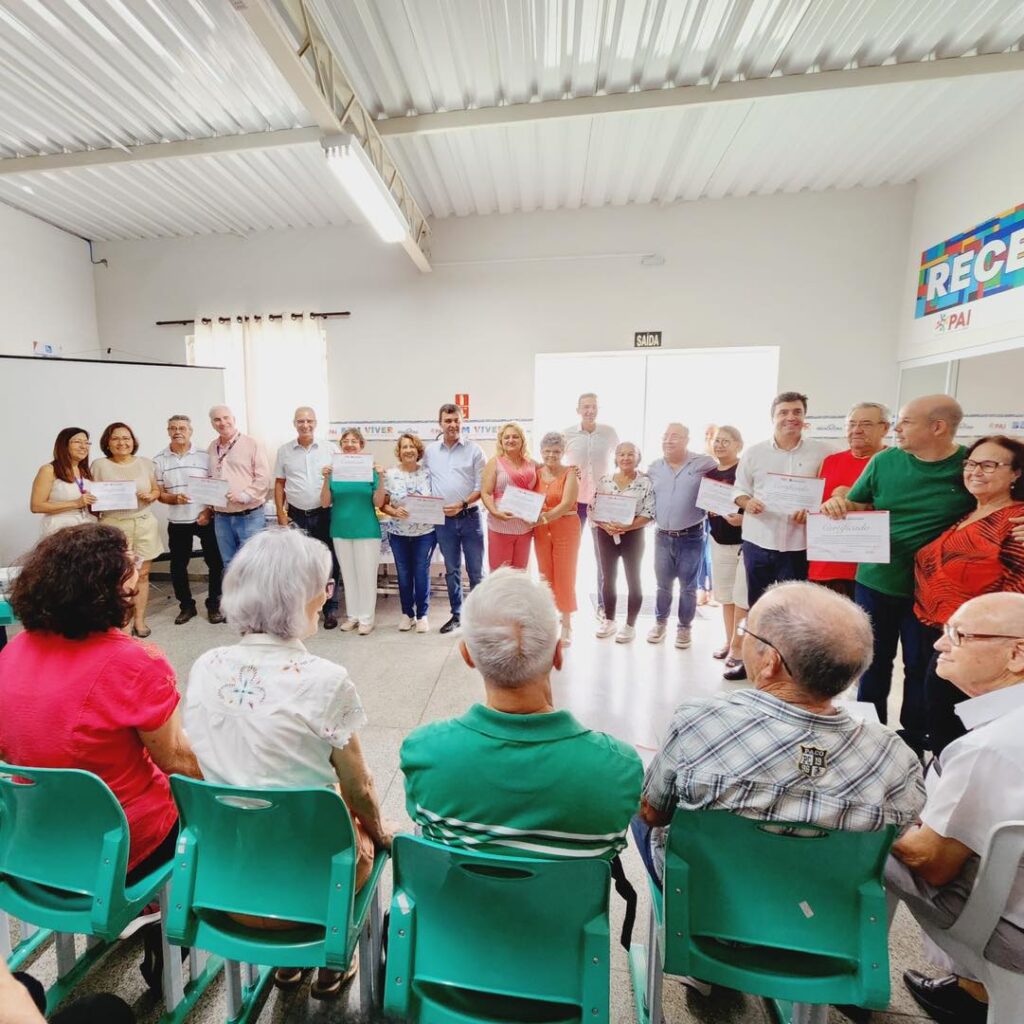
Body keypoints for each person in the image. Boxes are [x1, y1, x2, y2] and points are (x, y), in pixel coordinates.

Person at [184, 528, 392, 999]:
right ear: (305, 597)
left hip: (226, 882)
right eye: (326, 585)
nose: (327, 594)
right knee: (363, 834)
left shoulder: (205, 664)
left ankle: (287, 965)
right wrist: (379, 833)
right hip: (314, 888)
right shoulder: (327, 680)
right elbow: (359, 787)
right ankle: (333, 954)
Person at [633, 581, 925, 888]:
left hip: (707, 901)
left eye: (746, 629)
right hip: (828, 912)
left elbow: (654, 814)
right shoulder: (894, 757)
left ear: (771, 661)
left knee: (641, 807)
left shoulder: (699, 720)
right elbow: (903, 839)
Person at [0, 524, 201, 894]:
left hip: (32, 843)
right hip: (120, 849)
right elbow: (177, 763)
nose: (139, 574)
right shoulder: (136, 663)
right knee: (211, 811)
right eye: (132, 565)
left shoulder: (13, 651)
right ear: (110, 587)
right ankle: (166, 920)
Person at [400, 568, 642, 858]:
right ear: (557, 654)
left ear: (467, 656)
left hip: (458, 901)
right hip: (565, 904)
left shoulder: (424, 753)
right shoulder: (619, 768)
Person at [887, 594, 1024, 1024]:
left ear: (1016, 654)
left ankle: (845, 970)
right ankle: (974, 988)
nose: (939, 645)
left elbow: (933, 863)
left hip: (1012, 931)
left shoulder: (990, 746)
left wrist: (880, 808)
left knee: (866, 842)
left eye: (958, 635)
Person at [821, 395, 974, 754]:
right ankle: (868, 734)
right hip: (876, 581)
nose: (896, 429)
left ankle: (914, 738)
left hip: (932, 590)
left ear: (938, 427)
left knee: (921, 665)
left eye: (905, 422)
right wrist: (837, 503)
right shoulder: (885, 461)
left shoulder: (968, 467)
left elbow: (999, 502)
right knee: (872, 661)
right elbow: (857, 502)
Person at [914, 435, 1024, 755]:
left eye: (989, 464)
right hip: (940, 634)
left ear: (1016, 473)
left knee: (960, 739)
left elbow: (1016, 599)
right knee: (942, 728)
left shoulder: (1015, 521)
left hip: (977, 646)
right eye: (971, 463)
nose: (976, 471)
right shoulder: (967, 515)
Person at [732, 391, 831, 608]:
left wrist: (814, 512)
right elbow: (738, 491)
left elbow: (829, 494)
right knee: (758, 605)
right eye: (783, 412)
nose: (791, 417)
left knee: (794, 608)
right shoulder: (754, 453)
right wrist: (747, 502)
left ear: (805, 418)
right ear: (773, 417)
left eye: (797, 412)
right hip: (758, 541)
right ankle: (760, 643)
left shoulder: (824, 452)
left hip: (799, 545)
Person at [808, 402, 890, 598]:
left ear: (885, 428)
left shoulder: (894, 461)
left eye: (866, 424)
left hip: (869, 573)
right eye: (851, 424)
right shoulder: (830, 461)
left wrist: (854, 500)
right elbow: (815, 508)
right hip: (824, 568)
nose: (857, 430)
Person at [645, 423, 716, 650]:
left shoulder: (703, 463)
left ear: (686, 440)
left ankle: (684, 627)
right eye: (665, 436)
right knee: (662, 585)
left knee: (688, 586)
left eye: (674, 436)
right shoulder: (654, 467)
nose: (668, 440)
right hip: (661, 536)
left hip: (691, 535)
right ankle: (660, 623)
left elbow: (727, 474)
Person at [91, 422, 162, 638]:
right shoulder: (99, 465)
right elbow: (91, 496)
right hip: (114, 525)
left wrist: (152, 495)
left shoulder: (146, 463)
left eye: (126, 438)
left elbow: (155, 489)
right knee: (117, 577)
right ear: (107, 443)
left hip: (143, 523)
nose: (122, 442)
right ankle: (121, 622)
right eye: (116, 438)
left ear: (133, 441)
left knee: (143, 574)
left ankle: (140, 620)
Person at [153, 414, 225, 626]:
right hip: (177, 521)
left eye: (182, 428)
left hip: (205, 517)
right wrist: (174, 499)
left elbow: (216, 486)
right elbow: (159, 493)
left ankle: (214, 604)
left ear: (190, 431)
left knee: (216, 563)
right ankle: (186, 606)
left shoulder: (205, 455)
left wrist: (209, 511)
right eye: (173, 428)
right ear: (168, 431)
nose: (178, 431)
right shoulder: (159, 460)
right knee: (177, 566)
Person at [273, 406, 340, 629]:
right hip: (296, 514)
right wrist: (280, 514)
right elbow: (280, 483)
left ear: (315, 423)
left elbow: (341, 481)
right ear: (294, 424)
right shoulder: (284, 451)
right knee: (299, 563)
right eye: (300, 421)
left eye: (309, 421)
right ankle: (303, 609)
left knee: (329, 561)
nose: (305, 425)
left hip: (324, 514)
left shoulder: (330, 449)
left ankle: (330, 608)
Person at [422, 404, 486, 635]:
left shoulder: (475, 450)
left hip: (470, 517)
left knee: (476, 570)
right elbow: (424, 482)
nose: (452, 425)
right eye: (447, 421)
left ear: (462, 421)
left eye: (456, 420)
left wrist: (463, 504)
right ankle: (457, 614)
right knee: (451, 570)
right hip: (443, 521)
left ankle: (478, 618)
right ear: (440, 423)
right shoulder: (430, 452)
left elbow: (482, 487)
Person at [322, 427, 385, 635]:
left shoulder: (371, 471)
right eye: (345, 441)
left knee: (366, 576)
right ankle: (353, 616)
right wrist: (325, 478)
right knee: (348, 577)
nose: (349, 444)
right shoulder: (335, 472)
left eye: (354, 441)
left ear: (361, 445)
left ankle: (367, 618)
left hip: (366, 529)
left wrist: (381, 479)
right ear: (341, 446)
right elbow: (324, 503)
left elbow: (378, 501)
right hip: (340, 529)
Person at [593, 442, 655, 644]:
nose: (626, 458)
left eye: (631, 454)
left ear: (638, 457)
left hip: (633, 536)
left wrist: (627, 527)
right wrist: (606, 525)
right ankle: (609, 620)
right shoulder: (605, 481)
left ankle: (630, 625)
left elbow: (649, 512)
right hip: (606, 535)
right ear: (616, 458)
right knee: (608, 578)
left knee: (633, 579)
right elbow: (593, 509)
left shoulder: (645, 483)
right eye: (621, 454)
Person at [564, 393, 619, 621]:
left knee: (603, 557)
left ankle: (604, 606)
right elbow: (556, 463)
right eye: (586, 407)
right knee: (569, 555)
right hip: (574, 502)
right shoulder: (567, 434)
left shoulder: (608, 433)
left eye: (593, 407)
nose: (590, 411)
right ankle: (566, 605)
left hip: (601, 502)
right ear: (578, 409)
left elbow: (620, 462)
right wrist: (568, 471)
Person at [704, 426, 748, 678]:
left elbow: (753, 503)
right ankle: (729, 642)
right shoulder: (710, 473)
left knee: (741, 598)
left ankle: (739, 648)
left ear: (738, 445)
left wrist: (743, 520)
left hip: (743, 542)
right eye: (717, 441)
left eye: (726, 441)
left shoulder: (744, 471)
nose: (720, 445)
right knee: (725, 597)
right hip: (717, 539)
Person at [382, 433, 436, 633]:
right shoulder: (390, 474)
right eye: (404, 447)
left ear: (418, 450)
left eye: (412, 447)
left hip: (425, 533)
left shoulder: (428, 473)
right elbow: (383, 504)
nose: (408, 450)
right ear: (399, 451)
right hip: (398, 533)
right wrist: (395, 511)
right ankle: (407, 613)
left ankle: (422, 615)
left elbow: (437, 499)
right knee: (404, 575)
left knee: (421, 573)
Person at [532, 431, 581, 646]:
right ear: (541, 452)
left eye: (556, 451)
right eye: (547, 451)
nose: (551, 455)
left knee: (565, 574)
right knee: (545, 574)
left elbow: (566, 504)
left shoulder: (570, 473)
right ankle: (550, 619)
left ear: (563, 452)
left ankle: (568, 623)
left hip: (565, 527)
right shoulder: (536, 471)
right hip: (541, 529)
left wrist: (543, 517)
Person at [206, 405, 270, 567]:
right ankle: (234, 593)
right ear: (212, 424)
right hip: (221, 517)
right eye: (217, 419)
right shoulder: (211, 447)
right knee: (228, 563)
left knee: (252, 564)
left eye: (226, 418)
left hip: (249, 516)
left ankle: (254, 594)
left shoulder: (252, 443)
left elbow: (263, 478)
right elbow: (209, 477)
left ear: (233, 419)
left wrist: (244, 495)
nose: (222, 422)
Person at [480, 422, 538, 571]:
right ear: (501, 441)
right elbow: (486, 492)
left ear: (522, 440)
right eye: (506, 437)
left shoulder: (533, 464)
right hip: (500, 526)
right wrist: (495, 512)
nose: (510, 440)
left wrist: (572, 470)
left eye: (515, 437)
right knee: (500, 575)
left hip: (525, 527)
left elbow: (552, 474)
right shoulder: (494, 463)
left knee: (520, 574)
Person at [29, 427, 95, 536]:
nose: (83, 446)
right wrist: (76, 503)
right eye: (77, 442)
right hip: (59, 529)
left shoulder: (85, 471)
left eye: (87, 443)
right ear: (64, 445)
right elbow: (36, 506)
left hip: (86, 526)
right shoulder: (49, 470)